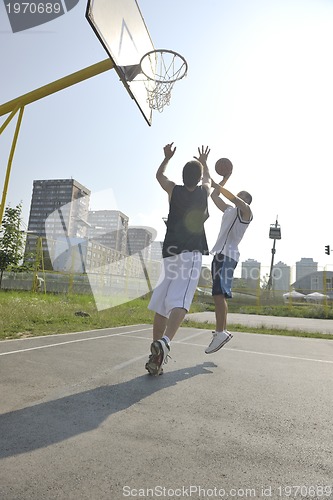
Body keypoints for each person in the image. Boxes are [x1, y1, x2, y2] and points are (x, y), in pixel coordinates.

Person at [145, 142, 211, 375]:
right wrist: (204, 163)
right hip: (190, 253)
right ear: (198, 177)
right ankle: (164, 342)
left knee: (162, 305)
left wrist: (167, 157)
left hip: (169, 253)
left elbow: (159, 175)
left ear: (183, 177)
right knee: (181, 301)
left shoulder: (174, 189)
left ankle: (156, 357)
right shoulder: (204, 192)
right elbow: (208, 181)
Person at [205, 172, 253, 354]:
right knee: (220, 294)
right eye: (239, 194)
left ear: (247, 200)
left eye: (243, 196)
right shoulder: (229, 210)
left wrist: (218, 182)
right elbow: (214, 196)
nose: (239, 197)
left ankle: (220, 332)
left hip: (228, 255)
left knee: (218, 293)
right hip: (219, 254)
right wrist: (223, 180)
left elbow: (232, 197)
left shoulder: (246, 213)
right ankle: (222, 331)